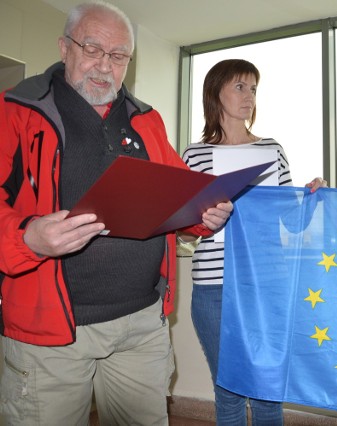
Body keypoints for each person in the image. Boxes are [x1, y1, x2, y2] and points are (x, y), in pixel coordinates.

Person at [0, 2, 232, 425]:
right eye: (92, 49)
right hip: (51, 330)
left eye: (119, 55)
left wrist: (205, 212)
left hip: (143, 322)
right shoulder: (15, 109)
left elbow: (177, 192)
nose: (104, 66)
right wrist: (27, 238)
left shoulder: (147, 120)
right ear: (64, 47)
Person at [180, 59, 325, 425]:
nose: (249, 97)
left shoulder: (272, 150)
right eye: (240, 87)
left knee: (266, 389)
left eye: (254, 89)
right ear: (215, 93)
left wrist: (312, 198)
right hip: (214, 287)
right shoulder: (193, 155)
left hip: (266, 285)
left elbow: (291, 221)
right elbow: (181, 228)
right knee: (227, 391)